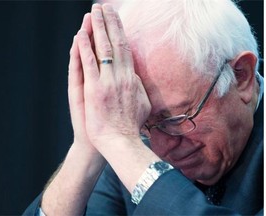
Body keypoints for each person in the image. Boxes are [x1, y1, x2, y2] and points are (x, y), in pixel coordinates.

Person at [23, 0, 263, 215]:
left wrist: (122, 143)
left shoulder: (129, 150)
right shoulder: (131, 152)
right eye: (144, 127)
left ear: (241, 76)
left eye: (175, 119)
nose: (160, 148)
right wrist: (88, 145)